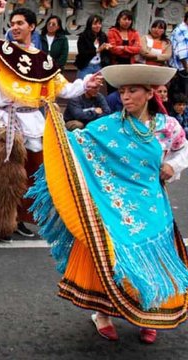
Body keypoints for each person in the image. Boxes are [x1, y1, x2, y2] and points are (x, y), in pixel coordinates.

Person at [27, 64, 188, 345]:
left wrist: (173, 166)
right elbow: (75, 145)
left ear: (150, 93)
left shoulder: (168, 127)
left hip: (151, 204)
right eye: (122, 91)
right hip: (115, 204)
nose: (125, 97)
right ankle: (102, 314)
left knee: (152, 260)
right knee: (112, 257)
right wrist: (52, 124)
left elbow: (183, 150)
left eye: (133, 91)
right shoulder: (108, 126)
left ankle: (149, 313)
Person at [0, 1, 102, 241]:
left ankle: (20, 219)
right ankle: (0, 224)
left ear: (32, 26)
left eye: (20, 23)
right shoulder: (0, 52)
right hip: (5, 123)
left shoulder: (43, 61)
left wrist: (86, 84)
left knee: (34, 175)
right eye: (12, 24)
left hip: (32, 123)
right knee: (2, 178)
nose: (15, 27)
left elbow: (66, 89)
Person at [75, 15, 111, 79]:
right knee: (83, 87)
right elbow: (82, 53)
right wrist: (97, 50)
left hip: (98, 66)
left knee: (96, 87)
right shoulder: (83, 36)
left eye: (99, 24)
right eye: (95, 24)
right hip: (86, 66)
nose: (98, 26)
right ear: (89, 25)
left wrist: (107, 47)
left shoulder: (103, 36)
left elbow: (105, 53)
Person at [169, 11, 188, 95]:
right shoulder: (183, 30)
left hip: (180, 68)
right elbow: (182, 54)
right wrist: (187, 69)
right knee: (183, 95)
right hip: (182, 68)